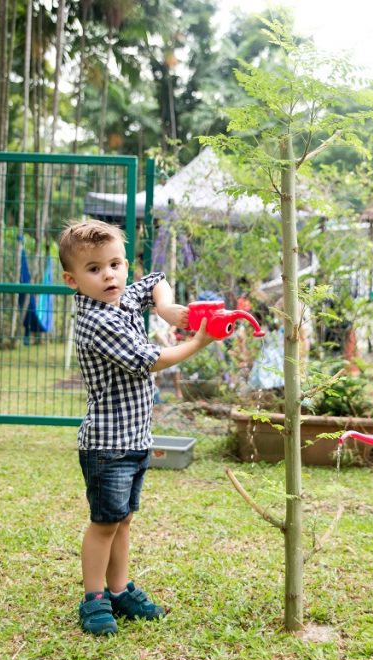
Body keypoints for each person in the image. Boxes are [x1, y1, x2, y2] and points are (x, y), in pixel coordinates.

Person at [58, 219, 216, 636]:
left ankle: (120, 588)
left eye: (115, 264)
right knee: (104, 523)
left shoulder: (121, 300)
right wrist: (197, 341)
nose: (108, 275)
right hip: (107, 446)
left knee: (123, 519)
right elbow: (152, 359)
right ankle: (94, 598)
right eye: (94, 269)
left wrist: (166, 308)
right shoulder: (98, 322)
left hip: (135, 439)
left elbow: (156, 282)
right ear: (72, 280)